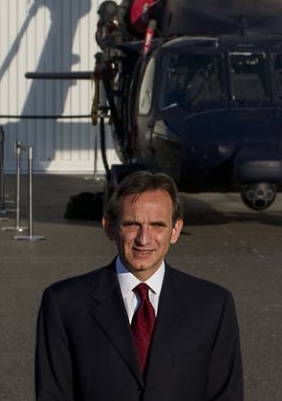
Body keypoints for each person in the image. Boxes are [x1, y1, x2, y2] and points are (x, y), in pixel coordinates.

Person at [35, 171, 244, 401]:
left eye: (157, 225)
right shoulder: (64, 304)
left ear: (175, 231)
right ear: (110, 227)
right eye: (132, 224)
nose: (144, 239)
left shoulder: (213, 305)